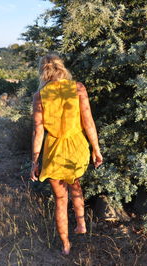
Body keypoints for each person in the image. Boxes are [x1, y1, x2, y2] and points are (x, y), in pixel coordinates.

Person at [30, 53, 103, 255]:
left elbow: (38, 131)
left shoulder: (40, 96)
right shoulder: (78, 88)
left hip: (54, 152)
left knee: (60, 200)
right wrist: (96, 149)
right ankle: (81, 225)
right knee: (76, 185)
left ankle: (65, 244)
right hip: (77, 147)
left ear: (43, 72)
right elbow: (88, 122)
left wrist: (35, 161)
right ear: (62, 68)